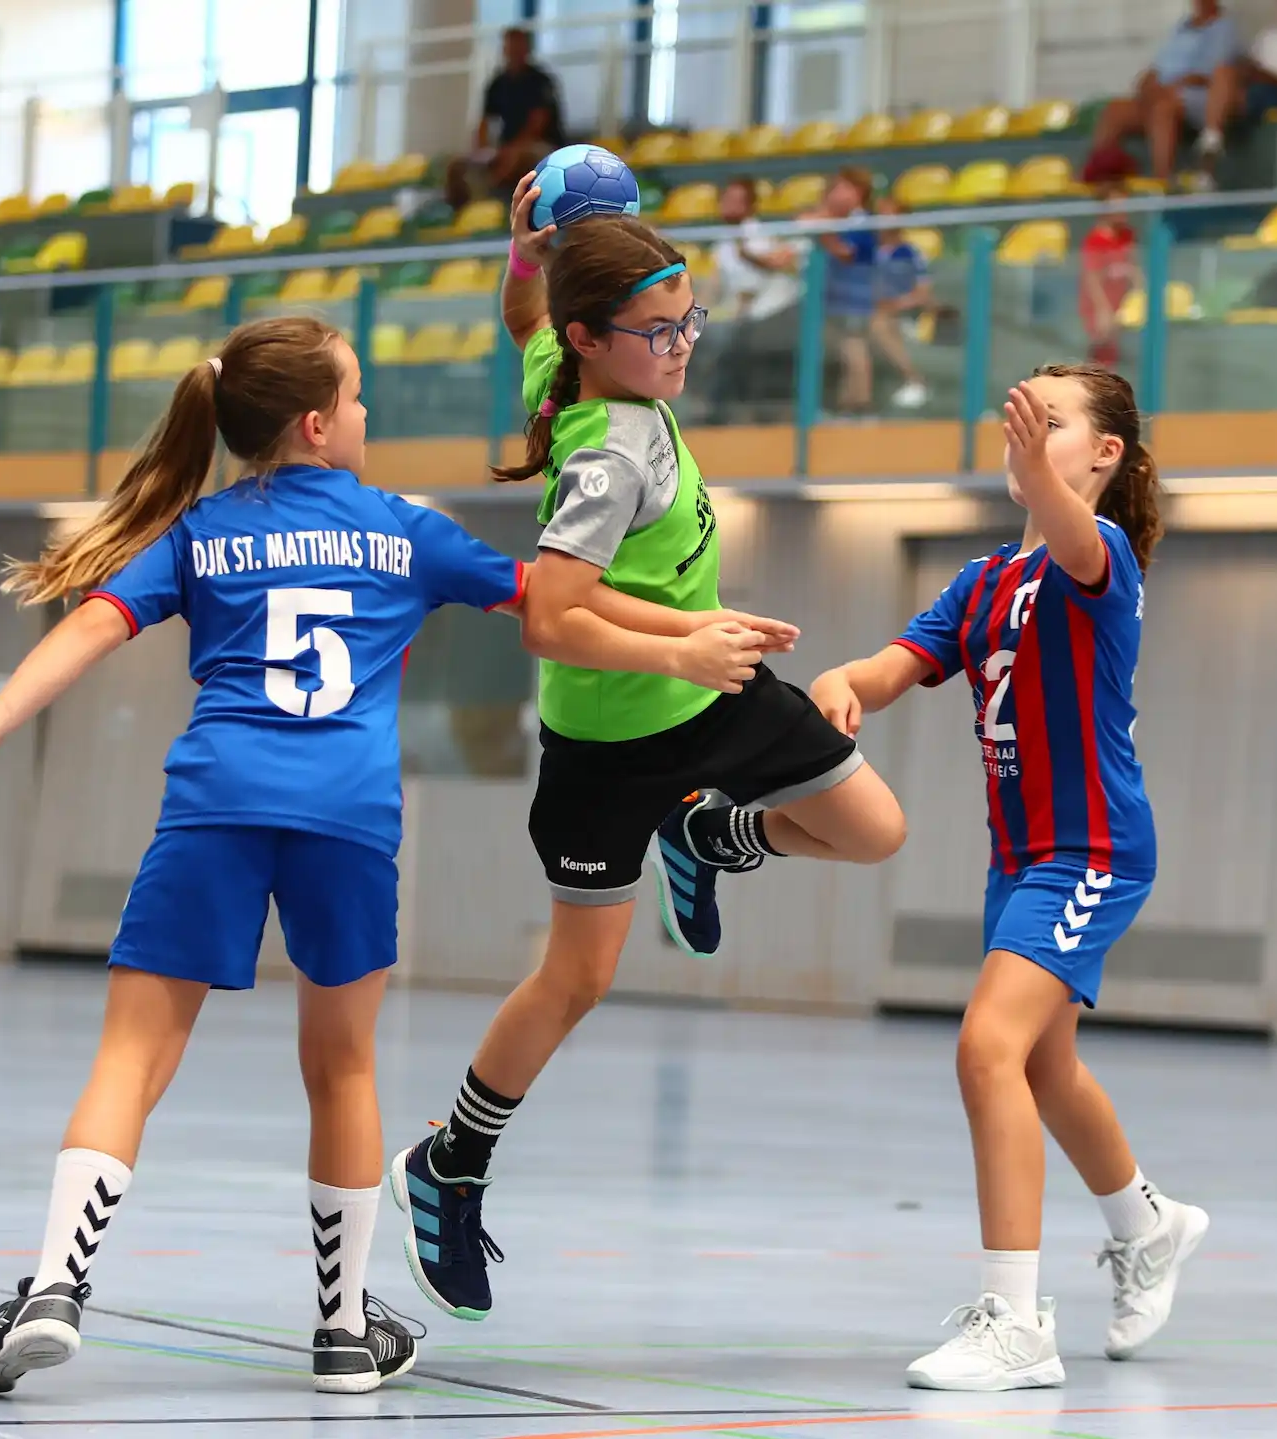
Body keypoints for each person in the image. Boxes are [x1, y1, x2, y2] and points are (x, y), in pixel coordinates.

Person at [0, 316, 704, 1396]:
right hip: (348, 817)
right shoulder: (403, 530)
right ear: (319, 422)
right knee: (341, 1064)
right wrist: (685, 636)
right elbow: (555, 602)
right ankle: (341, 1328)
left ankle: (56, 1284)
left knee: (132, 1057)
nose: (372, 414)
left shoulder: (202, 532)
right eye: (361, 395)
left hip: (217, 802)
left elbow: (87, 629)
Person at [391, 180, 910, 1329]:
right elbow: (550, 618)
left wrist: (522, 253)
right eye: (658, 331)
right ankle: (451, 1164)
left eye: (690, 322)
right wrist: (682, 648)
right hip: (614, 731)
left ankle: (708, 830)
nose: (680, 348)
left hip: (708, 686)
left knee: (874, 828)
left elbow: (523, 323)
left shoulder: (568, 365)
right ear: (597, 341)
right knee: (575, 979)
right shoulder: (605, 454)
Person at [805, 365, 1206, 1391]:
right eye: (1020, 414)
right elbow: (891, 669)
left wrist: (1039, 473)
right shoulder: (982, 581)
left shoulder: (1099, 552)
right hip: (1018, 856)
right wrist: (840, 682)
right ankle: (1147, 1222)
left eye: (1053, 419)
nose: (1025, 427)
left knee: (987, 1045)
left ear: (1103, 454)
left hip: (1095, 848)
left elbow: (1075, 536)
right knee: (1042, 1064)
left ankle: (1018, 1321)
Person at [1086, 0, 1244, 186]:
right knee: (1115, 110)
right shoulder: (1181, 28)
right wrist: (1146, 83)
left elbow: (1212, 75)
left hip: (1196, 97)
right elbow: (1158, 66)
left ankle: (1162, 181)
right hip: (1163, 91)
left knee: (1162, 108)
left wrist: (1173, 86)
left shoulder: (1225, 28)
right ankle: (1097, 176)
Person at [708, 175, 805, 421]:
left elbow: (770, 269)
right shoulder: (722, 243)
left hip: (776, 314)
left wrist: (748, 256)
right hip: (745, 319)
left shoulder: (760, 235)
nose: (728, 206)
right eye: (725, 200)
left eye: (735, 201)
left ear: (750, 206)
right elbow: (716, 287)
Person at [446, 27, 567, 210]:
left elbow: (537, 124)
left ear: (527, 50)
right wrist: (481, 149)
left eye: (518, 47)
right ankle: (460, 214)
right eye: (509, 47)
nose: (513, 52)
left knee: (518, 157)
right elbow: (485, 122)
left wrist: (510, 150)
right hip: (505, 146)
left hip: (542, 146)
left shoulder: (541, 81)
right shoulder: (498, 83)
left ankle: (493, 201)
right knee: (457, 165)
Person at [814, 169, 887, 415]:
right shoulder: (841, 221)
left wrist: (822, 229)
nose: (836, 194)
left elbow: (847, 254)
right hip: (835, 299)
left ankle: (861, 403)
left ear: (859, 193)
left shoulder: (862, 221)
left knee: (854, 348)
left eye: (842, 188)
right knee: (843, 352)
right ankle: (847, 403)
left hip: (856, 298)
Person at [1078, 153, 1141, 367]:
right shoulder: (1095, 241)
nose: (1123, 212)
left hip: (1122, 307)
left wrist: (1143, 291)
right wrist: (1102, 310)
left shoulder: (1127, 235)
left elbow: (1132, 267)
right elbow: (1092, 279)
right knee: (1100, 365)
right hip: (1100, 310)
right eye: (1117, 206)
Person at [871, 197, 934, 412]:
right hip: (860, 310)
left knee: (879, 324)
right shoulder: (866, 251)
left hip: (901, 315)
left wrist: (895, 304)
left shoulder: (910, 254)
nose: (883, 221)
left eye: (889, 215)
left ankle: (914, 380)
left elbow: (922, 294)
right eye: (880, 215)